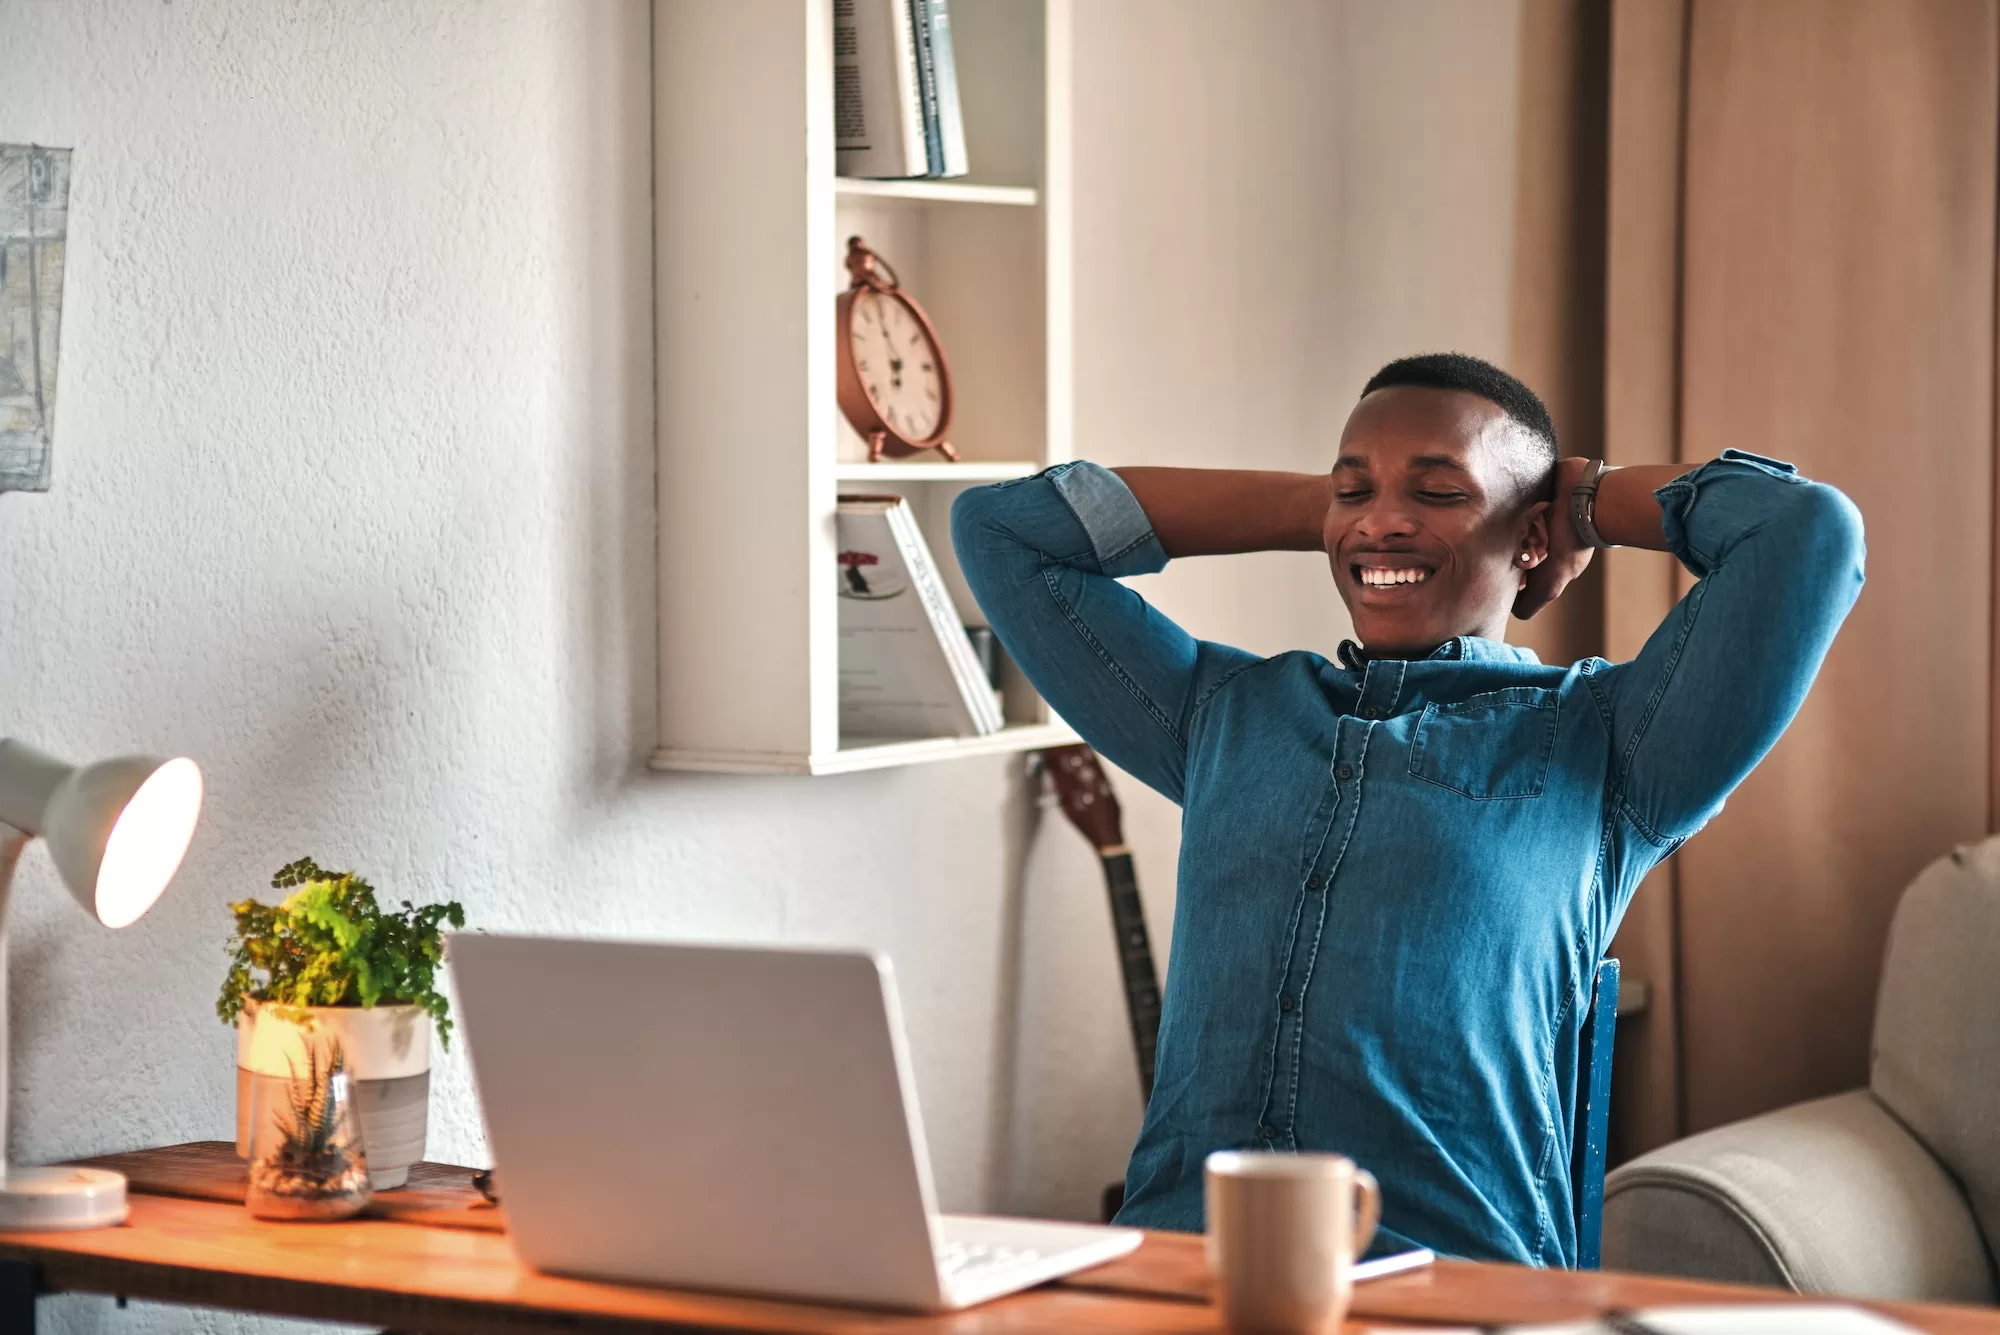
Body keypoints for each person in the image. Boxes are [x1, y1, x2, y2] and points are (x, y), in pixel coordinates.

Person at [951, 352, 1865, 1267]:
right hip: (1180, 1270)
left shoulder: (1613, 744)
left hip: (1457, 1288)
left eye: (1439, 492)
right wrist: (1341, 514)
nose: (1384, 520)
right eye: (1355, 490)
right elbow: (1001, 528)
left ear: (1533, 537)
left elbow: (1806, 532)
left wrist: (1588, 500)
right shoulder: (1222, 714)